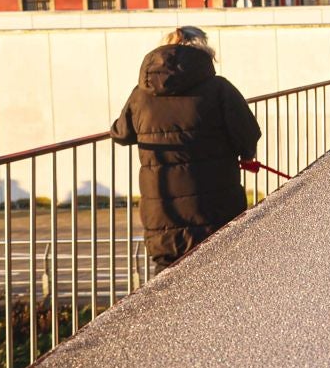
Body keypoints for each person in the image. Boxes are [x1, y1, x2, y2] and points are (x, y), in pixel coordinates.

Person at [109, 27, 261, 276]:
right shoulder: (219, 89)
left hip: (164, 214)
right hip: (215, 207)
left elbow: (121, 133)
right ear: (205, 51)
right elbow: (247, 133)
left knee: (169, 284)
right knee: (223, 273)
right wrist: (245, 155)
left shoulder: (141, 95)